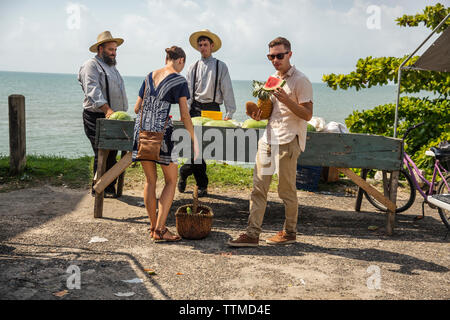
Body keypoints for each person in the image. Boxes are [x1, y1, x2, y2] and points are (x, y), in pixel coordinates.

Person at [228, 37, 313, 247]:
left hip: (288, 139)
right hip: (268, 139)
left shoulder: (301, 80)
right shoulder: (272, 79)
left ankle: (290, 232)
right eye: (271, 56)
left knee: (286, 190)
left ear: (289, 55)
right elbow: (269, 112)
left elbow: (308, 115)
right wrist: (258, 115)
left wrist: (287, 100)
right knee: (258, 188)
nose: (275, 60)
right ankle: (252, 234)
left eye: (279, 55)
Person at [132, 46, 199, 242]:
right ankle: (161, 230)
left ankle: (153, 227)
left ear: (166, 58)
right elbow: (185, 115)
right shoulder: (179, 80)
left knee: (150, 181)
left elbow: (137, 108)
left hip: (142, 132)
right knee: (171, 180)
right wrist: (194, 138)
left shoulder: (149, 76)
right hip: (161, 134)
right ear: (181, 61)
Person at [178, 29, 237, 197]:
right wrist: (185, 112)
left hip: (213, 110)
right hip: (195, 109)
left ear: (212, 46)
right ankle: (202, 185)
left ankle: (184, 171)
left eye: (205, 45)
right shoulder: (192, 67)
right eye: (200, 45)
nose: (203, 47)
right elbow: (187, 92)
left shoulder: (221, 66)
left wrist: (230, 112)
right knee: (195, 149)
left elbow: (227, 89)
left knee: (205, 149)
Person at [78, 31, 128, 198]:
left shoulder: (112, 68)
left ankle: (108, 186)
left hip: (114, 117)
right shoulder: (90, 65)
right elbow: (93, 90)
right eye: (110, 49)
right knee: (102, 151)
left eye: (115, 50)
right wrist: (107, 110)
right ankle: (97, 187)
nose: (114, 52)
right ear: (100, 49)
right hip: (96, 117)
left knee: (113, 152)